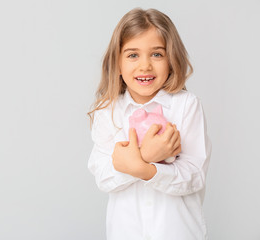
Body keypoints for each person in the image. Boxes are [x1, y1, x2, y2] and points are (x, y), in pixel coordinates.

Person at [87, 8, 212, 240]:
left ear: (171, 59)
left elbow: (194, 175)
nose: (145, 66)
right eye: (133, 55)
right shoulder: (108, 112)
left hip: (178, 233)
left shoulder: (186, 106)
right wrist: (146, 154)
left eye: (156, 54)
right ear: (118, 63)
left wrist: (144, 169)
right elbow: (103, 177)